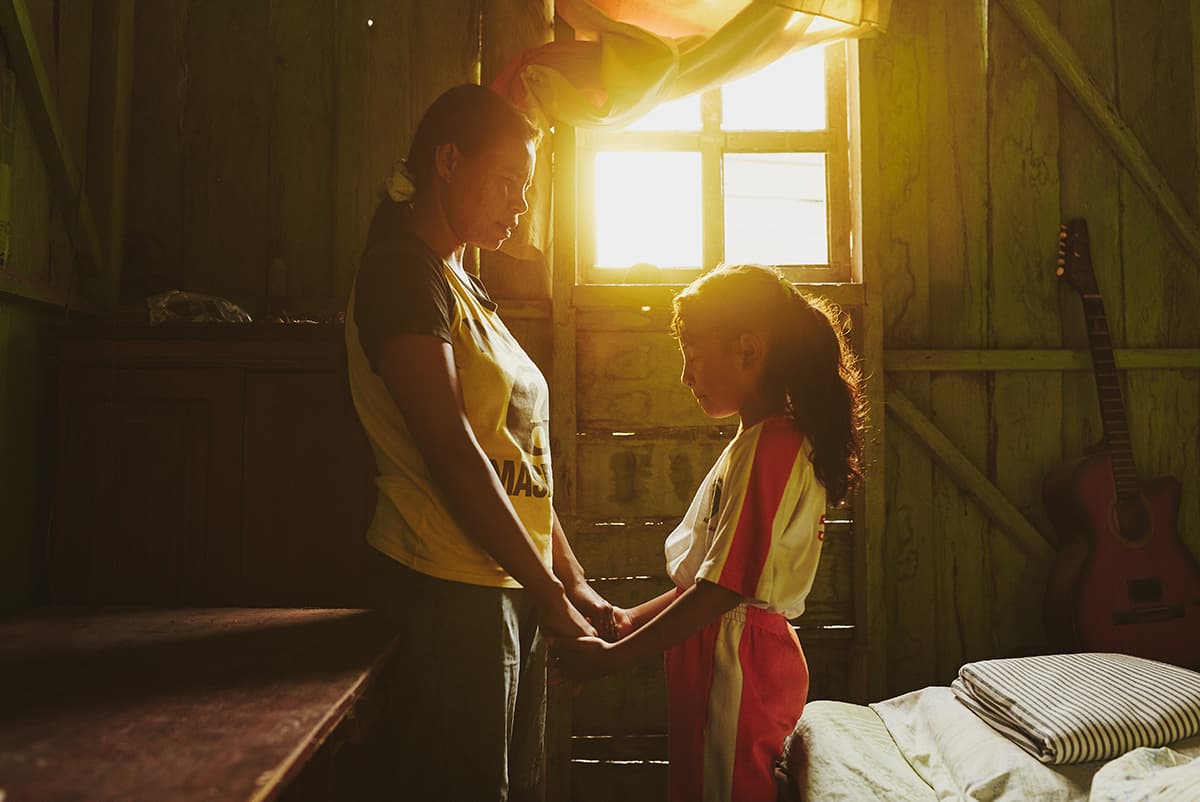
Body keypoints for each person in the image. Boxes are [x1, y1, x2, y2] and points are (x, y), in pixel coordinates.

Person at [344, 83, 617, 801]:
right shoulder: (402, 273)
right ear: (447, 161)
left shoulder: (462, 283)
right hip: (446, 586)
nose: (518, 207)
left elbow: (515, 460)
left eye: (524, 191)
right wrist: (548, 588)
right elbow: (453, 450)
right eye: (506, 183)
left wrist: (570, 578)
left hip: (502, 581)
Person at [553, 263, 866, 802]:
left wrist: (611, 660)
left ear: (749, 349)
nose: (684, 374)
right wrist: (627, 622)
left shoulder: (771, 447)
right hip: (727, 649)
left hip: (736, 660)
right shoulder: (755, 444)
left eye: (693, 352)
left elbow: (722, 590)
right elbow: (710, 581)